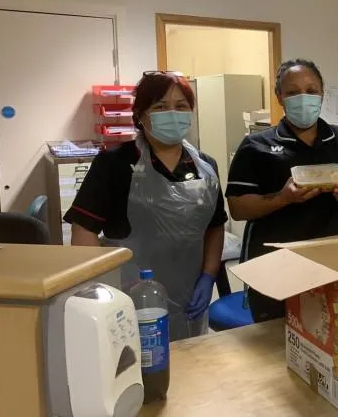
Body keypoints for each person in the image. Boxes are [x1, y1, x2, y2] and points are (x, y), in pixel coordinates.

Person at [65, 71, 227, 341]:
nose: (173, 114)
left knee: (191, 366)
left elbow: (215, 225)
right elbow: (84, 230)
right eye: (161, 107)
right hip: (127, 297)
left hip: (188, 296)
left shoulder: (205, 167)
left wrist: (208, 275)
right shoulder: (114, 164)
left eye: (181, 107)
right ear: (140, 115)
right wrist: (100, 290)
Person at [226, 59, 338, 323]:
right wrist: (283, 198)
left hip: (336, 267)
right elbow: (238, 208)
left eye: (311, 90)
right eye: (293, 92)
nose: (303, 98)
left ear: (321, 94)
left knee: (334, 341)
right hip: (275, 268)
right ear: (279, 97)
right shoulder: (255, 145)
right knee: (273, 348)